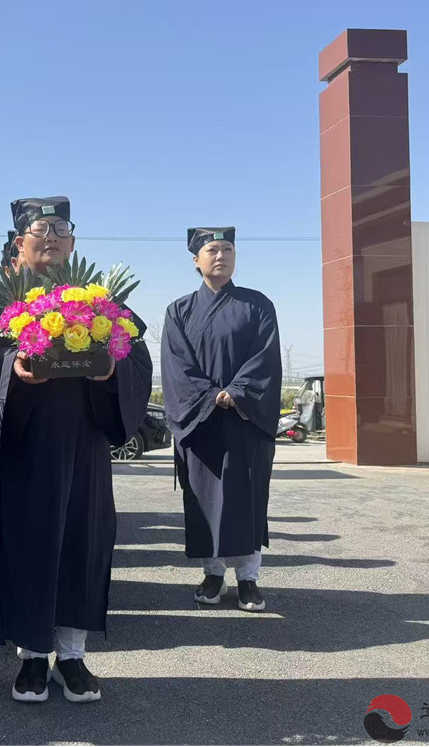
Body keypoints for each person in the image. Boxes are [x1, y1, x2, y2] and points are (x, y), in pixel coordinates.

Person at [0, 196, 152, 704]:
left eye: (59, 228)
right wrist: (12, 368)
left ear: (73, 242)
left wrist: (113, 369)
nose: (48, 236)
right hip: (24, 447)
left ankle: (72, 654)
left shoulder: (100, 299)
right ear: (19, 242)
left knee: (82, 544)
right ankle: (31, 658)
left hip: (84, 445)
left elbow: (136, 356)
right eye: (37, 228)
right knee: (28, 544)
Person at [160, 227, 281, 613]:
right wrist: (211, 396)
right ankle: (213, 575)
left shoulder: (258, 305)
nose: (221, 256)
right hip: (202, 425)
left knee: (245, 502)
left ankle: (248, 579)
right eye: (212, 250)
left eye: (228, 249)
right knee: (205, 503)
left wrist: (239, 391)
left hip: (245, 423)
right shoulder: (178, 311)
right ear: (196, 260)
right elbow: (176, 366)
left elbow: (266, 357)